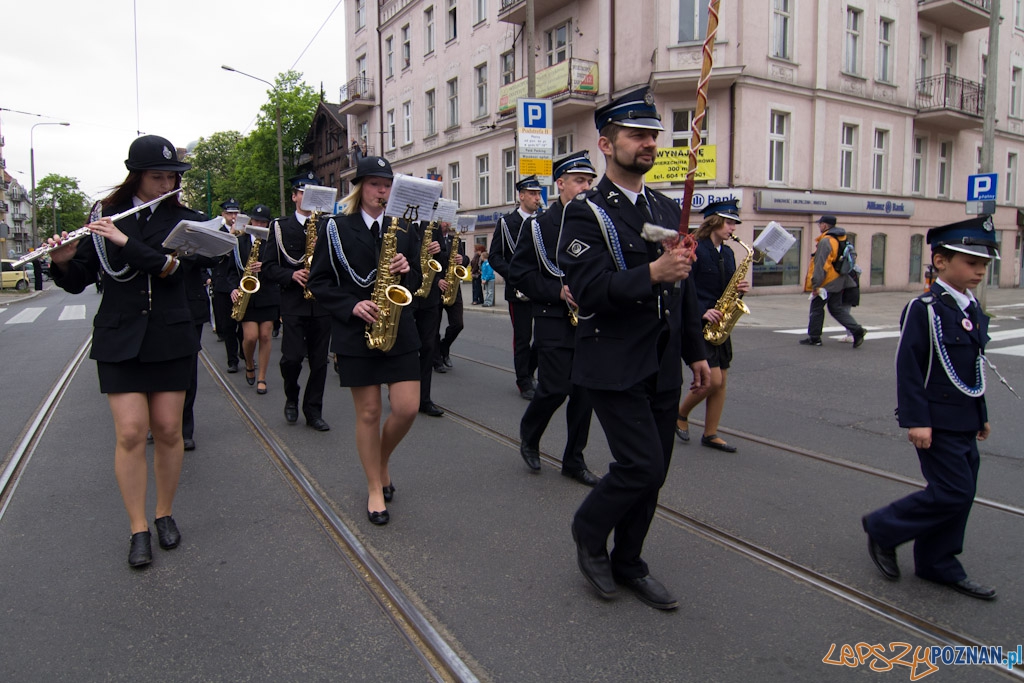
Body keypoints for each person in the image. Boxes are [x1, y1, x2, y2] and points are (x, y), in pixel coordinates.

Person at [557, 86, 710, 610]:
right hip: (613, 359)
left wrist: (698, 353)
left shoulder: (667, 206)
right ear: (606, 143)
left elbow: (684, 288)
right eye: (636, 135)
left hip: (663, 361)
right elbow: (590, 291)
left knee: (656, 472)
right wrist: (651, 272)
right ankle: (588, 528)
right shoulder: (586, 212)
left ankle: (629, 561)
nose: (647, 143)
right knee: (640, 465)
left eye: (652, 136)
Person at [46, 134, 203, 567]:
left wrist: (124, 241)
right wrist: (61, 261)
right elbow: (82, 279)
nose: (167, 183)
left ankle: (164, 513)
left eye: (172, 175)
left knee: (169, 429)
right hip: (119, 336)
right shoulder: (106, 216)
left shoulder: (188, 221)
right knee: (132, 432)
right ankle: (137, 528)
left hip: (170, 335)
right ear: (136, 175)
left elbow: (173, 270)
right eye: (158, 176)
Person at [861, 216, 1001, 601]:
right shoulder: (925, 308)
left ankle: (937, 562)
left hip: (963, 417)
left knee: (962, 491)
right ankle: (883, 527)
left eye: (984, 265)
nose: (979, 271)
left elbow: (972, 364)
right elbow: (909, 366)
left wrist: (981, 412)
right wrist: (917, 421)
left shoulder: (969, 308)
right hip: (935, 421)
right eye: (971, 263)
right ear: (940, 262)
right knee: (953, 491)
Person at [307, 156, 423, 526]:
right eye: (374, 184)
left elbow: (418, 279)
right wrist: (351, 304)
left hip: (398, 328)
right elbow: (319, 283)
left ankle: (381, 459)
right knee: (370, 412)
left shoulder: (403, 227)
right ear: (360, 187)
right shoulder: (335, 228)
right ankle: (375, 485)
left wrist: (407, 270)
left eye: (387, 185)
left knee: (406, 408)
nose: (382, 191)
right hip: (357, 330)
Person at [508, 150, 600, 487]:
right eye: (579, 181)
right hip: (552, 317)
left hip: (590, 319)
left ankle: (574, 460)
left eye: (590, 181)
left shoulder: (597, 221)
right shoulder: (539, 226)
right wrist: (557, 291)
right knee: (555, 389)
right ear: (560, 184)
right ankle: (530, 436)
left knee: (585, 392)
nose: (586, 187)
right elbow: (519, 274)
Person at [675, 200, 749, 453]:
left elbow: (726, 287)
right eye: (729, 222)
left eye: (735, 223)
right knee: (712, 380)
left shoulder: (727, 253)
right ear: (714, 221)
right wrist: (700, 311)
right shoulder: (695, 248)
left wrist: (739, 291)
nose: (733, 228)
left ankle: (711, 433)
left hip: (721, 323)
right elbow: (684, 286)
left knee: (722, 381)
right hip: (701, 322)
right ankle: (681, 413)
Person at [262, 172, 332, 431]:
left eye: (314, 191)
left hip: (322, 304)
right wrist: (291, 274)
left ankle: (313, 410)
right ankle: (292, 396)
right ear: (294, 196)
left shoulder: (329, 225)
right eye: (303, 191)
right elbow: (268, 268)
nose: (308, 196)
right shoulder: (279, 227)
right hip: (293, 302)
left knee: (319, 362)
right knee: (291, 359)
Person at [490, 176, 543, 399]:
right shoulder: (506, 223)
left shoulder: (544, 220)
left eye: (539, 194)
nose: (537, 198)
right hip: (519, 290)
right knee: (522, 338)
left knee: (543, 338)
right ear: (521, 195)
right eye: (533, 194)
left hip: (541, 290)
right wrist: (515, 276)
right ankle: (524, 381)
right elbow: (494, 256)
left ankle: (529, 370)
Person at [231, 204, 280, 395]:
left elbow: (278, 268)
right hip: (247, 295)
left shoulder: (273, 243)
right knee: (250, 337)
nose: (259, 224)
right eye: (256, 221)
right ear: (251, 221)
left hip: (268, 293)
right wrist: (232, 289)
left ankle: (262, 378)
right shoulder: (239, 242)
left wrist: (266, 267)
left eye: (263, 222)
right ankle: (250, 363)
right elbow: (230, 270)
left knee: (266, 336)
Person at [798, 215, 866, 348]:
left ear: (825, 225)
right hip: (839, 279)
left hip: (826, 281)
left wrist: (816, 284)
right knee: (836, 308)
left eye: (820, 224)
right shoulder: (841, 238)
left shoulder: (826, 241)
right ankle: (857, 330)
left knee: (816, 308)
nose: (819, 227)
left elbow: (821, 264)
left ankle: (815, 337)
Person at [180, 248, 217, 451]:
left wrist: (186, 251)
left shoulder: (192, 219)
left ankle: (185, 428)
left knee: (187, 369)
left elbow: (213, 257)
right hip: (151, 306)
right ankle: (155, 420)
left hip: (188, 304)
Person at [410, 216, 446, 416]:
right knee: (407, 347)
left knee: (428, 347)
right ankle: (401, 393)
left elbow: (444, 258)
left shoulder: (432, 226)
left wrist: (438, 251)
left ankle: (424, 399)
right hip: (406, 294)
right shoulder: (397, 222)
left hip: (429, 295)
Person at [210, 198, 243, 369]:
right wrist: (229, 237)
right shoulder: (218, 231)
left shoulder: (244, 231)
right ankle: (232, 360)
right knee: (229, 325)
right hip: (223, 283)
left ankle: (245, 352)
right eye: (230, 213)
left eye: (236, 213)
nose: (233, 216)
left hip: (241, 281)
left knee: (244, 323)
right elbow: (213, 258)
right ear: (223, 214)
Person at [436, 221, 467, 370]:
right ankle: (436, 360)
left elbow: (465, 259)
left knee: (458, 324)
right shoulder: (431, 238)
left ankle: (444, 347)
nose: (446, 223)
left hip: (453, 287)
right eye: (443, 220)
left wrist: (463, 260)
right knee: (433, 327)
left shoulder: (455, 240)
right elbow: (425, 263)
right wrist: (437, 280)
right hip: (437, 287)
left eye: (448, 220)